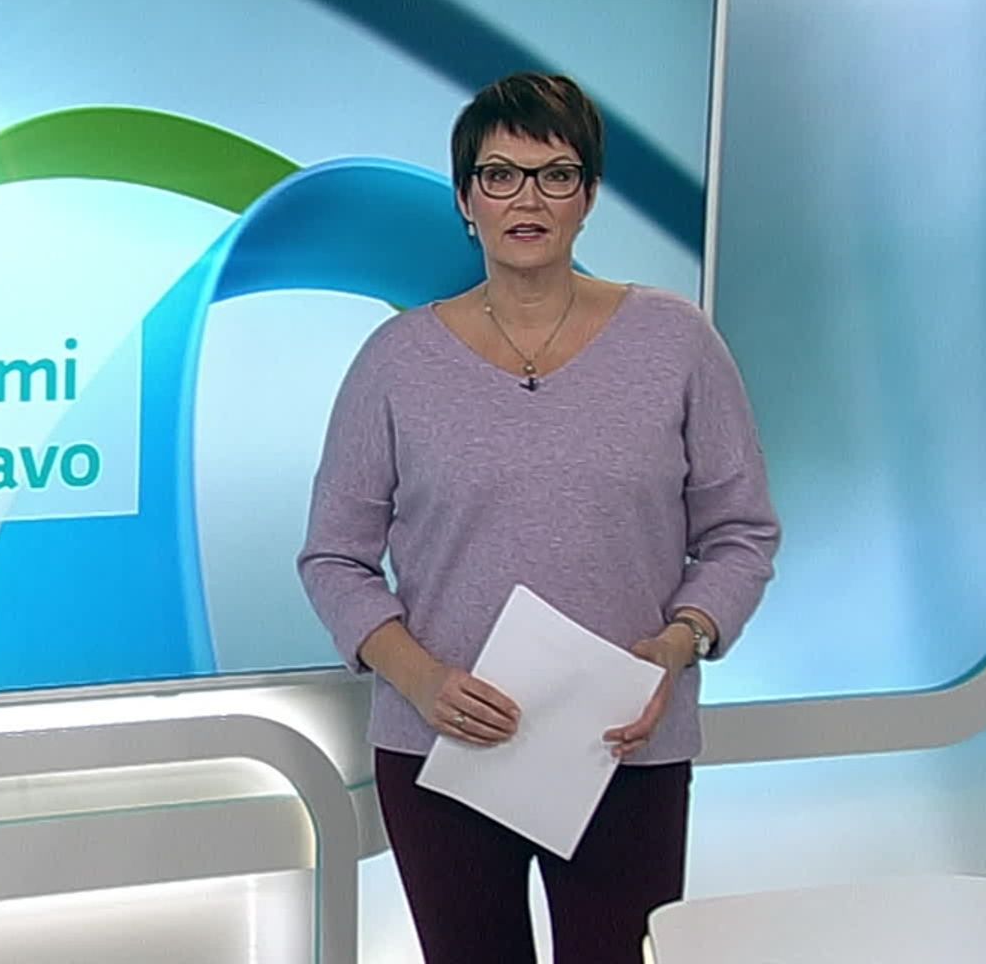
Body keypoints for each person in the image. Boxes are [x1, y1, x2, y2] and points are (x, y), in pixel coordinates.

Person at [297, 72, 780, 963]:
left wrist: (679, 643)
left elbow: (741, 532)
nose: (528, 199)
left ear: (588, 196)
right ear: (465, 200)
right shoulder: (395, 361)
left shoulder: (677, 342)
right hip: (442, 750)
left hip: (622, 747)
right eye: (500, 175)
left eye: (556, 174)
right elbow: (334, 557)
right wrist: (421, 679)